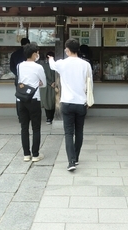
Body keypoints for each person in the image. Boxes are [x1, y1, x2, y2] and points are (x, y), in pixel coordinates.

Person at [48, 39, 92, 171]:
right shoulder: (86, 65)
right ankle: (76, 157)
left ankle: (71, 161)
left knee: (68, 133)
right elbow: (90, 84)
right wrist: (88, 100)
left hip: (66, 102)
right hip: (81, 102)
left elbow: (52, 65)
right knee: (79, 131)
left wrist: (50, 58)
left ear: (67, 50)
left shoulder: (62, 63)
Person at [16, 42, 46, 162]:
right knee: (36, 127)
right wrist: (37, 83)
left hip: (21, 99)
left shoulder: (19, 66)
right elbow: (43, 83)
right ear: (34, 54)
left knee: (24, 127)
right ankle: (35, 154)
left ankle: (26, 154)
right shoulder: (38, 67)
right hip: (34, 99)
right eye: (37, 53)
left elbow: (20, 80)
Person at [10, 38, 30, 121]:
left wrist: (18, 74)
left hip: (18, 78)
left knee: (19, 95)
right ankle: (28, 115)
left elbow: (11, 67)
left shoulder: (14, 54)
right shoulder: (29, 53)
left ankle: (20, 116)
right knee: (29, 94)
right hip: (29, 77)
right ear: (28, 44)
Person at [40, 51, 56, 125]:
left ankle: (49, 118)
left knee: (47, 102)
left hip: (46, 86)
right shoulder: (56, 65)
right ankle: (51, 117)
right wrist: (54, 83)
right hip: (54, 86)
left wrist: (50, 83)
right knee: (52, 102)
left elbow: (42, 77)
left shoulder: (42, 66)